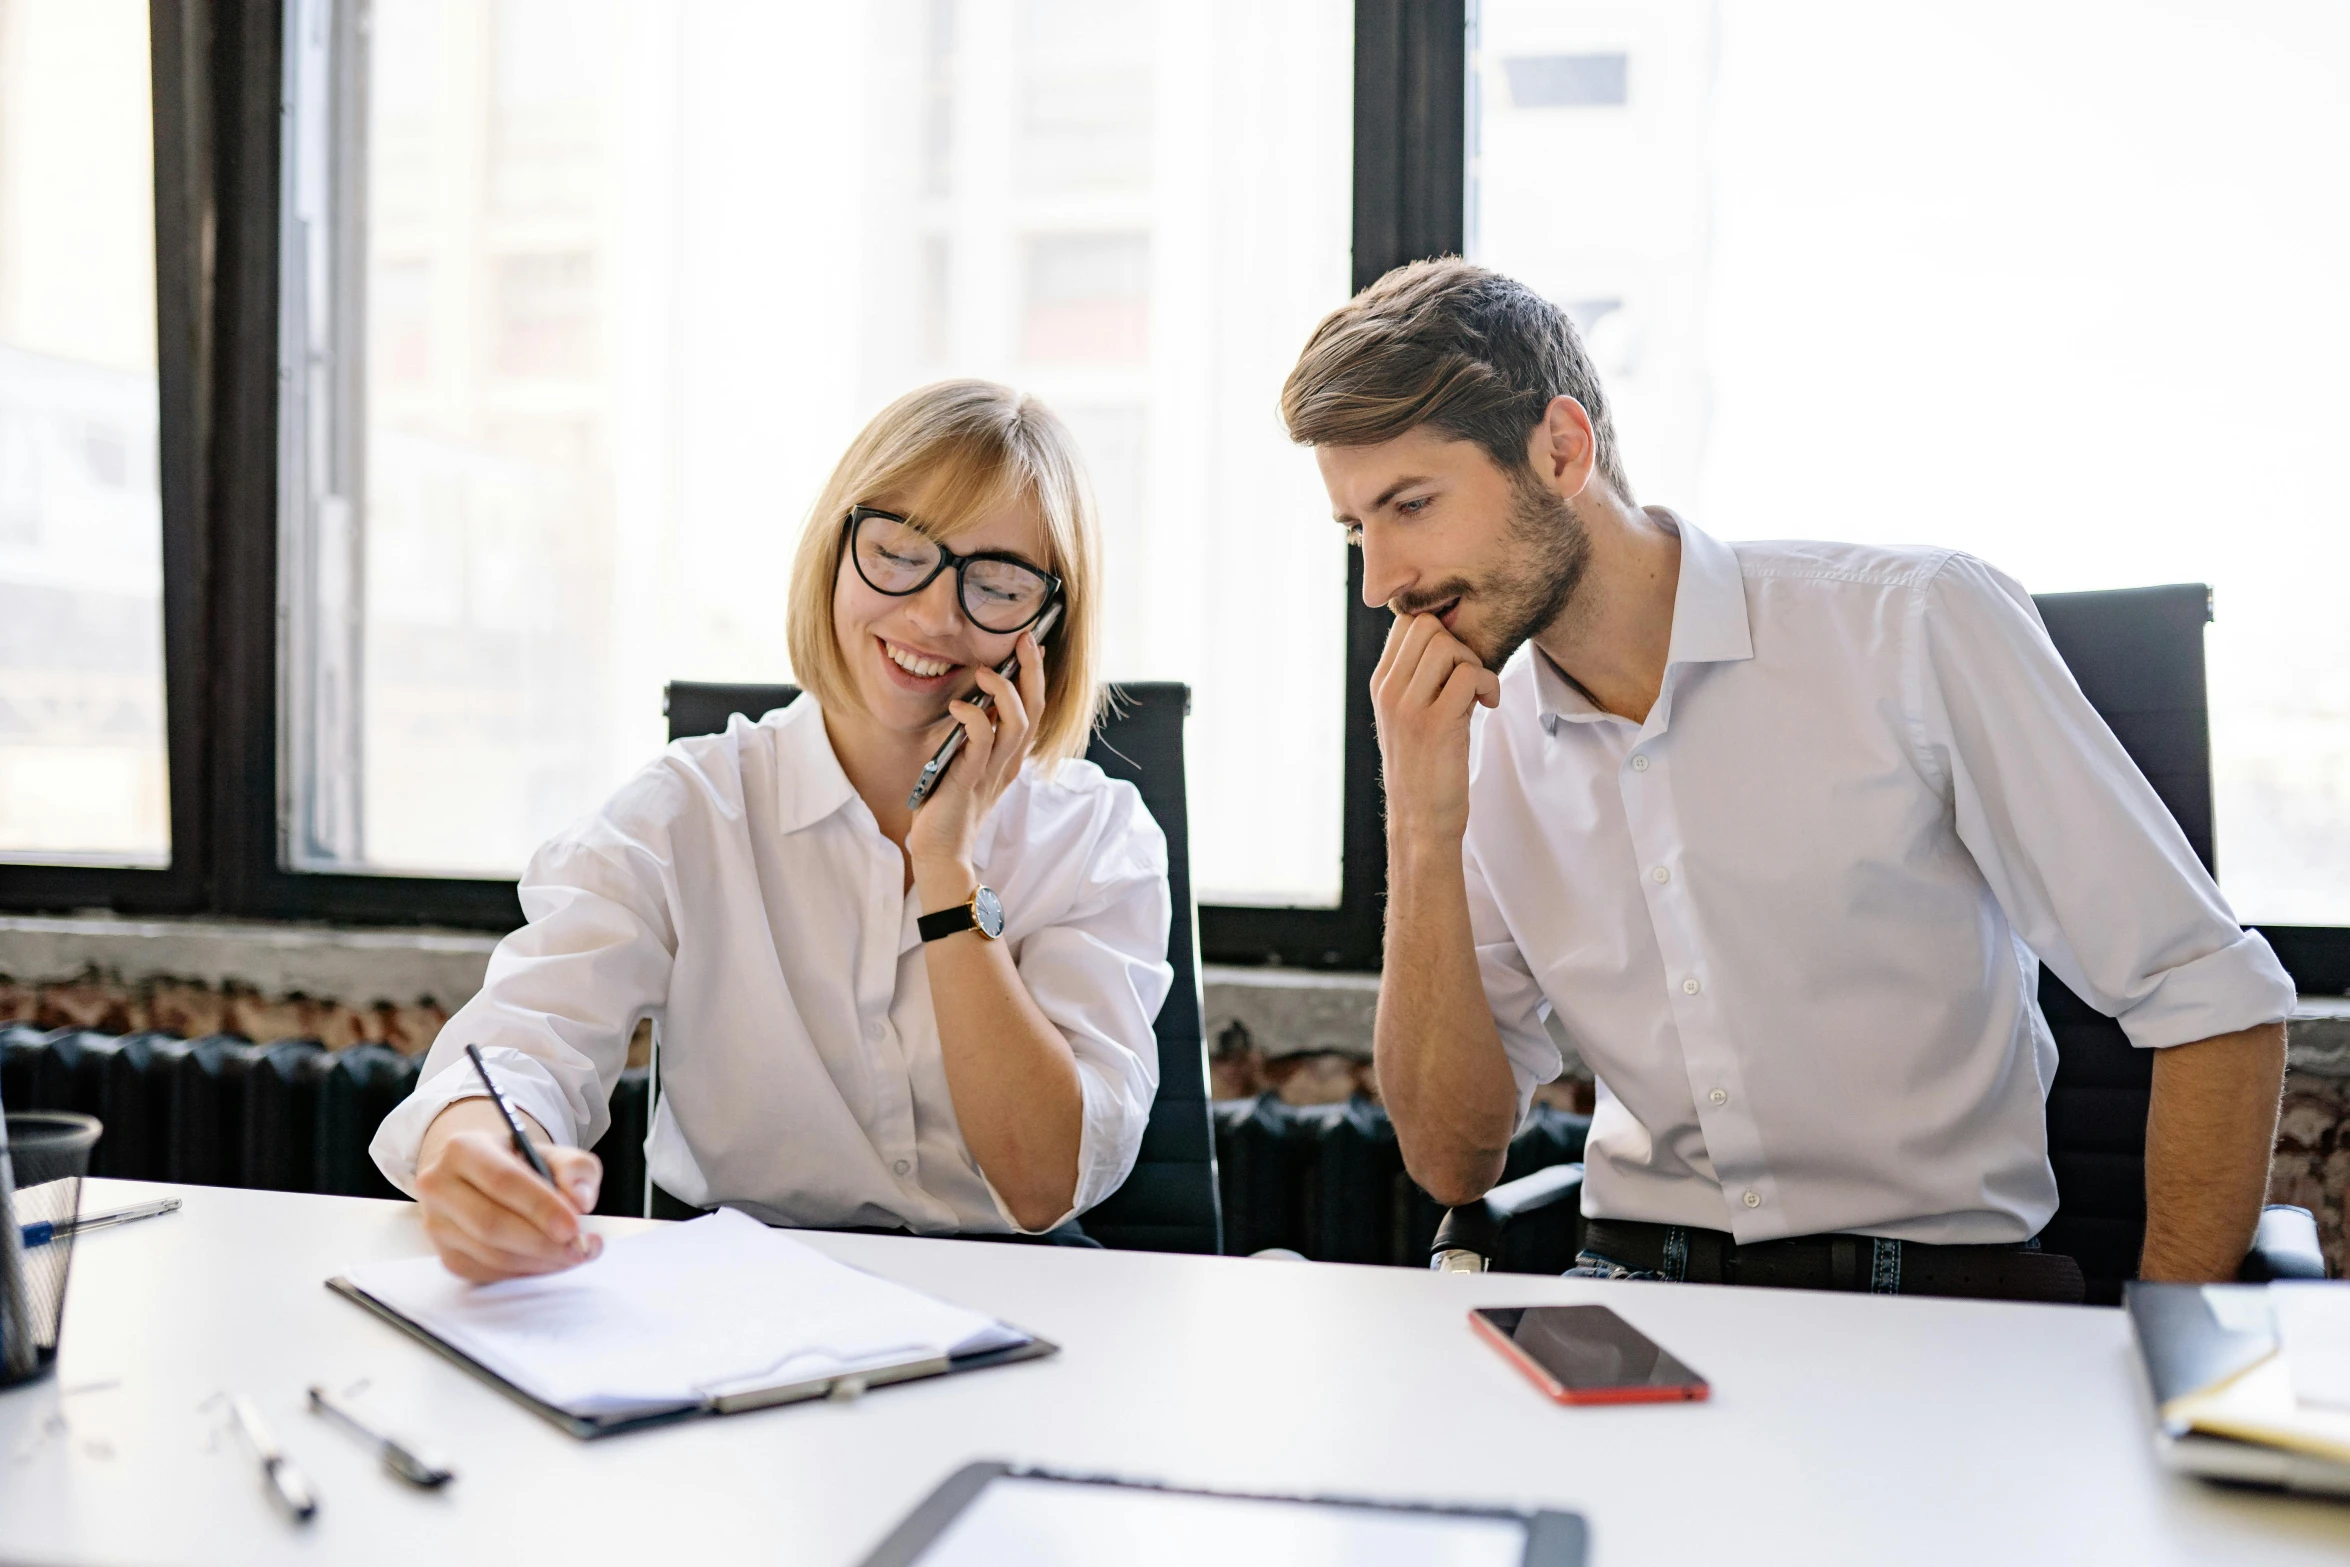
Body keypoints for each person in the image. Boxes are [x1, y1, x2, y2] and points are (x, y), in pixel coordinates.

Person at [1281, 259, 2292, 1301]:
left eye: (1411, 505)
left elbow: (2214, 998)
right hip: (1638, 1297)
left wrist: (2164, 1373)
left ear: (1560, 449)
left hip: (1938, 1310)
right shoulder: (1473, 738)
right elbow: (1453, 1162)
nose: (1381, 583)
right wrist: (1419, 823)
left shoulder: (1910, 627)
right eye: (1359, 529)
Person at [371, 380, 1172, 1281]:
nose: (932, 616)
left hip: (1018, 1299)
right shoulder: (688, 810)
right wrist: (481, 1154)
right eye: (899, 551)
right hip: (738, 1297)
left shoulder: (1099, 835)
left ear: (1047, 627)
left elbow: (1040, 1184)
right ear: (836, 550)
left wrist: (946, 866)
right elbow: (524, 1041)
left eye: (995, 583)